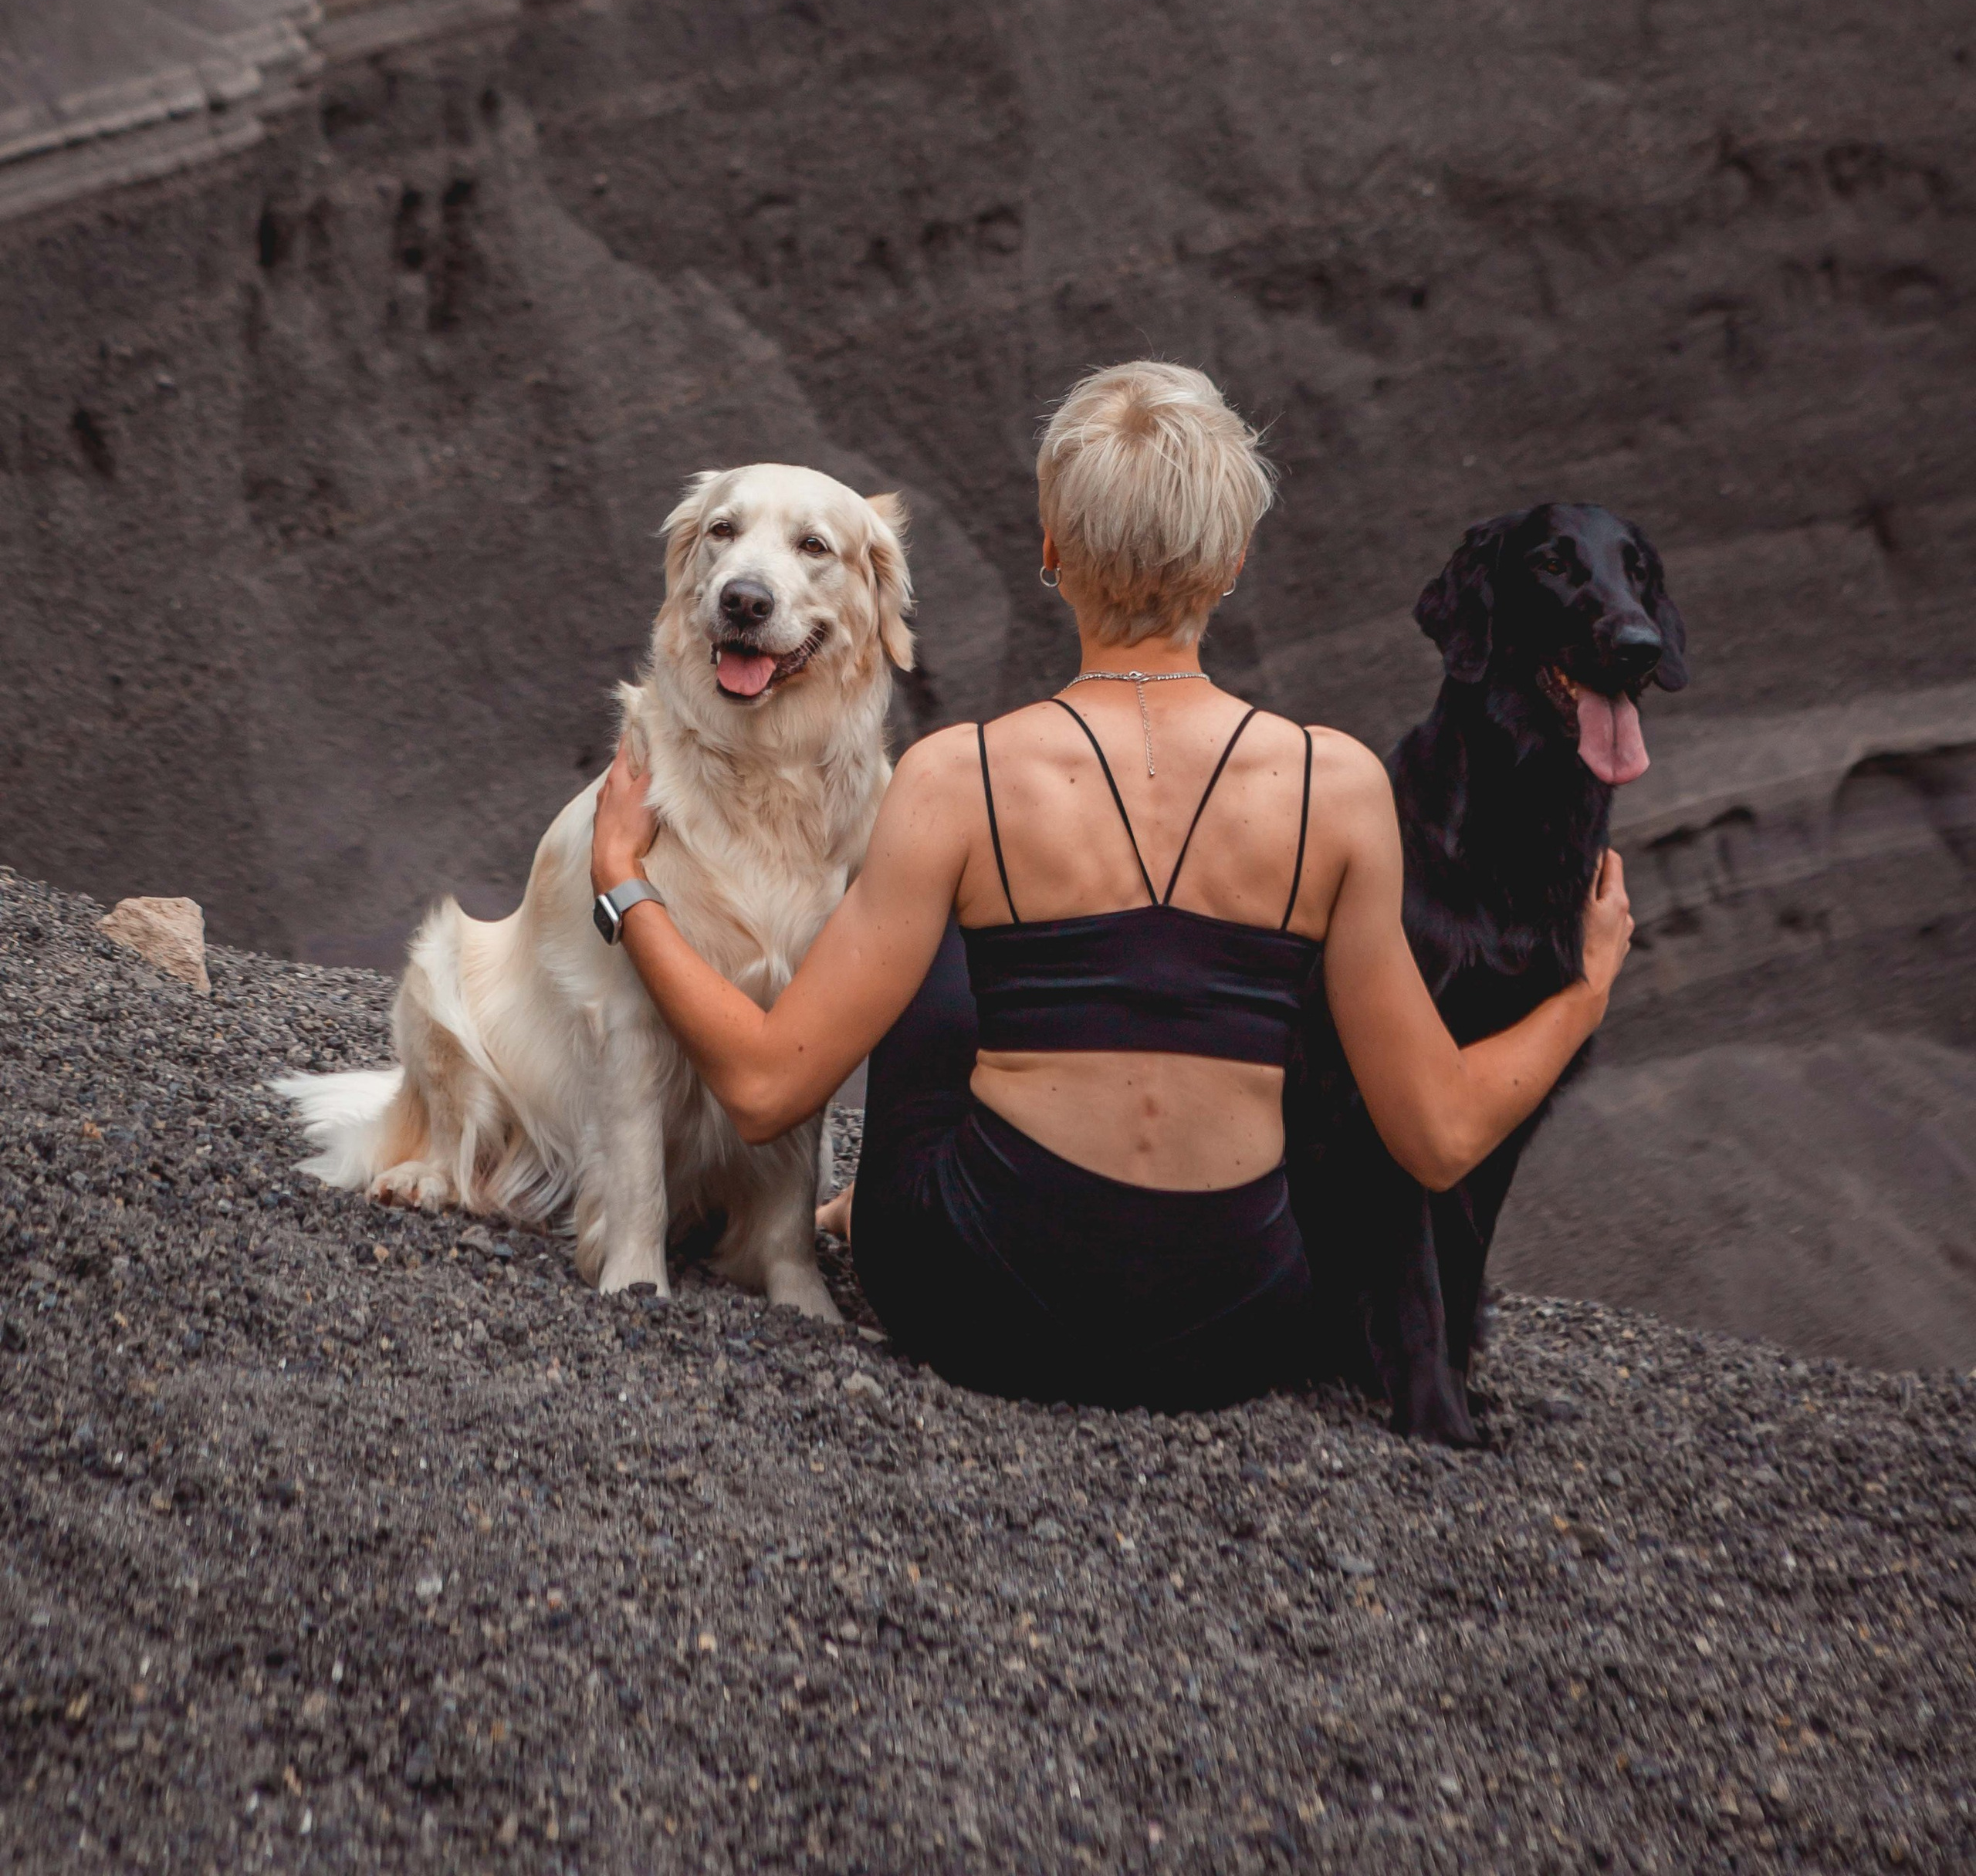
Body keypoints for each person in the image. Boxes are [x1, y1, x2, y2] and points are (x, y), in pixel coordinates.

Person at [590, 361, 1632, 1410]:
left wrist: (624, 882)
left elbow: (768, 1091)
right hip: (1241, 1327)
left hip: (981, 1305)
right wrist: (1584, 990)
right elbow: (1440, 1135)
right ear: (1231, 562)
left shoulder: (961, 776)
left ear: (1050, 550)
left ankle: (873, 1203)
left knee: (940, 929)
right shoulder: (1342, 786)